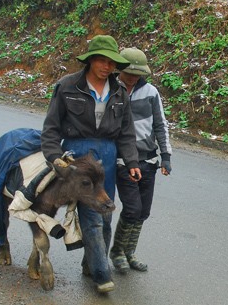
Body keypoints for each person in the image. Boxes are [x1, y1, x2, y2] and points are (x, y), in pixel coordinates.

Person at [41, 35, 142, 293]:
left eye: (111, 62)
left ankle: (90, 264)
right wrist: (54, 158)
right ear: (90, 60)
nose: (107, 67)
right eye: (102, 60)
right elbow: (51, 129)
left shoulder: (119, 92)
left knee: (106, 212)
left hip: (107, 154)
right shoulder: (66, 86)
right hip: (77, 153)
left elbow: (127, 133)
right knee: (92, 215)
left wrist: (131, 161)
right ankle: (101, 273)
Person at [110, 47, 172, 273]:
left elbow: (160, 125)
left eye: (138, 73)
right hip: (122, 161)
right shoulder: (111, 89)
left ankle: (130, 252)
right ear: (120, 69)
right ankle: (116, 252)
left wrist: (165, 157)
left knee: (143, 211)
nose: (133, 77)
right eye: (129, 73)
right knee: (132, 208)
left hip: (148, 160)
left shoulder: (151, 93)